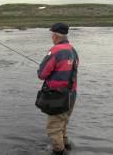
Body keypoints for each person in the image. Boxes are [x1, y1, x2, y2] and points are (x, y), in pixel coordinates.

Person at [37, 23, 79, 155]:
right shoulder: (73, 50)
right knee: (63, 123)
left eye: (52, 34)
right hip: (71, 95)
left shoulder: (55, 51)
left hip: (58, 96)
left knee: (54, 128)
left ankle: (59, 151)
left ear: (55, 35)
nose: (51, 37)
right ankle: (66, 145)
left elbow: (42, 74)